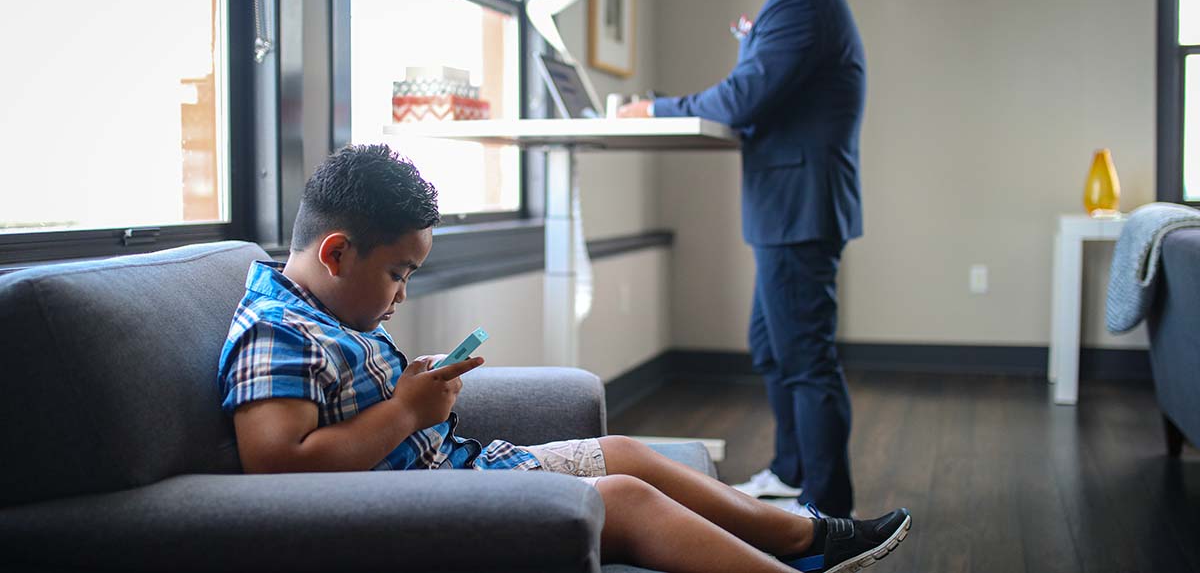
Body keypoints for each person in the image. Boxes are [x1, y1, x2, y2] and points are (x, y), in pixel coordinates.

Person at [217, 144, 907, 573]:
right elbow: (278, 467)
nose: (402, 292)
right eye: (399, 272)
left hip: (459, 473)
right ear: (337, 253)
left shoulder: (326, 311)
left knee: (624, 452)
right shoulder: (277, 330)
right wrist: (403, 411)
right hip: (420, 508)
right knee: (627, 501)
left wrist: (411, 391)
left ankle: (808, 535)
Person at [618, 0, 865, 519]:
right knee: (772, 343)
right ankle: (790, 472)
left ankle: (826, 510)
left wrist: (655, 109)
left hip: (798, 206)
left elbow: (741, 97)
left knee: (805, 357)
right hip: (791, 204)